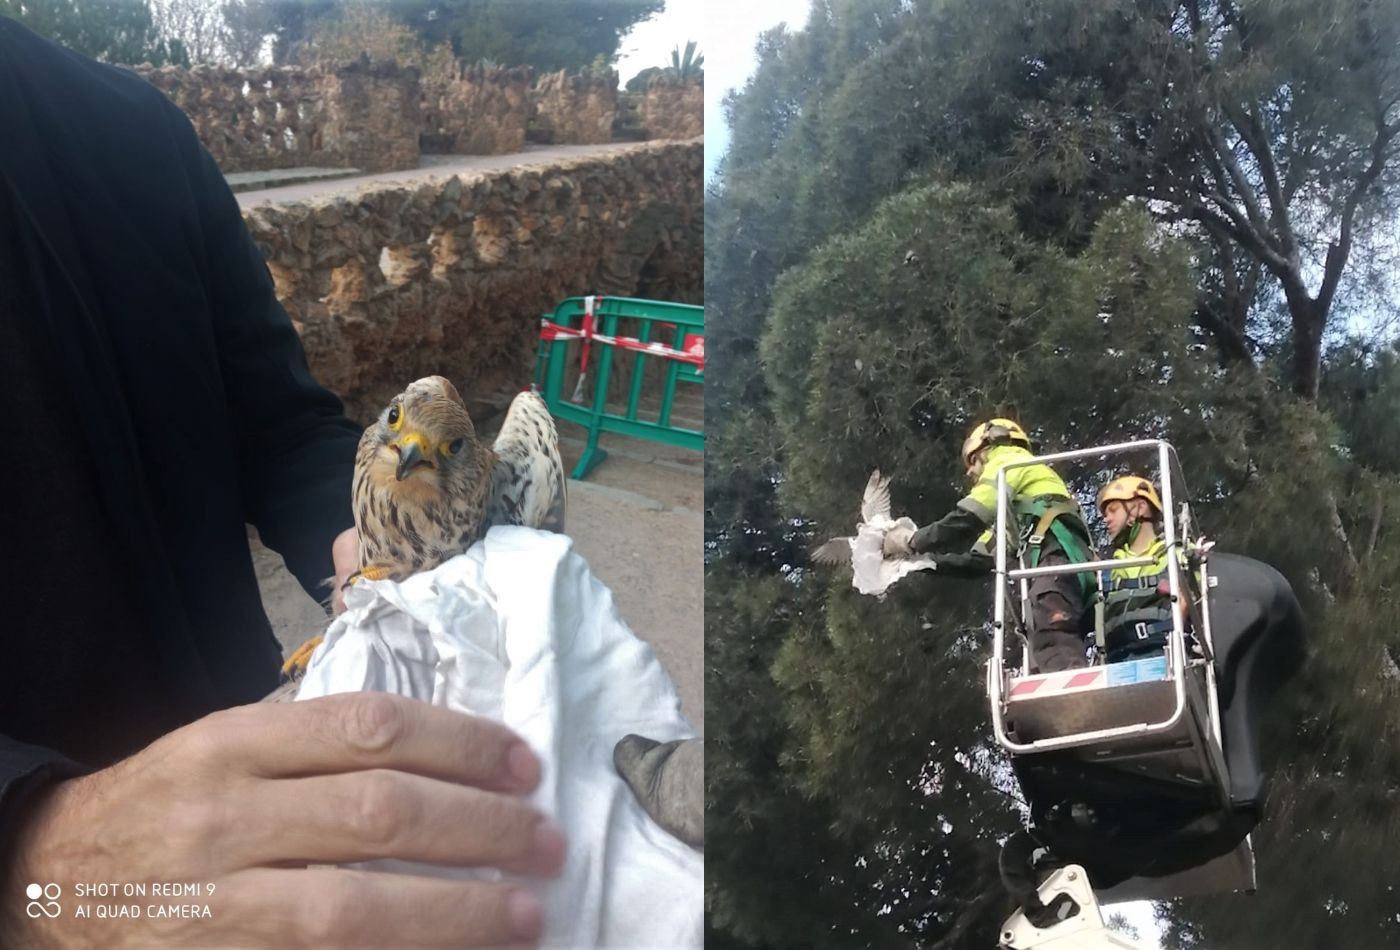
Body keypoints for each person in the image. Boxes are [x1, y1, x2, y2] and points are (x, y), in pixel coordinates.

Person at [0, 17, 561, 947]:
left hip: (259, 810)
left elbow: (282, 424)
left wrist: (370, 551)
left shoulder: (134, 127)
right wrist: (37, 853)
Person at [885, 418, 1096, 672]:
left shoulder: (1008, 459)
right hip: (1059, 563)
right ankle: (1071, 705)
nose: (970, 472)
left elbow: (968, 517)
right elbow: (980, 561)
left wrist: (912, 541)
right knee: (1046, 642)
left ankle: (1076, 705)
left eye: (972, 460)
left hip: (1055, 557)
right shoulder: (1014, 513)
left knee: (1052, 636)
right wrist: (918, 564)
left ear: (991, 444)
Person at [1095, 474, 1191, 663]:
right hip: (1116, 662)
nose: (1107, 519)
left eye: (1113, 510)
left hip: (1163, 656)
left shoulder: (1178, 555)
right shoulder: (1109, 568)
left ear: (1140, 507)